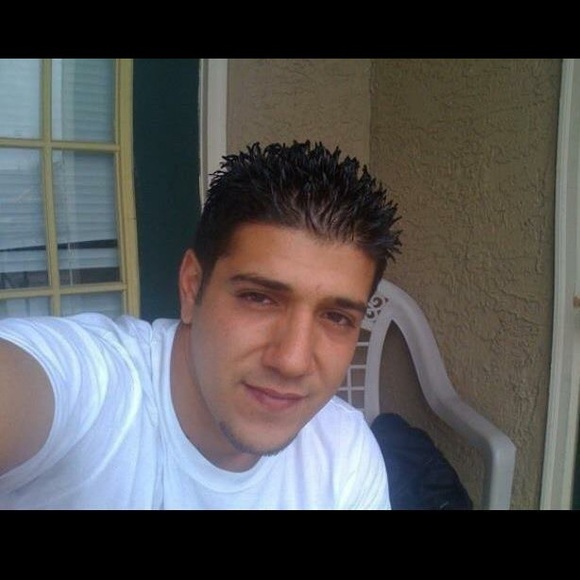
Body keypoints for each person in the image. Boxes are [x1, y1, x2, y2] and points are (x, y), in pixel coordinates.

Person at [0, 141, 401, 509]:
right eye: (258, 298)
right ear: (192, 287)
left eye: (337, 317)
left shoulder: (344, 455)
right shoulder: (93, 390)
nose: (292, 361)